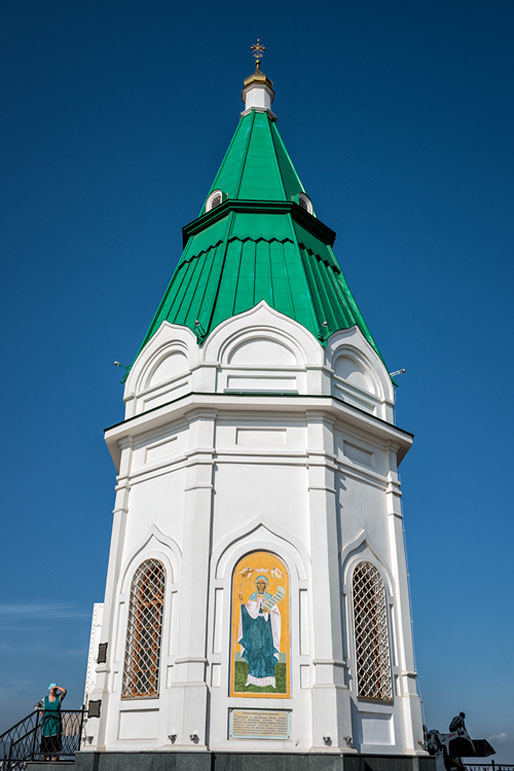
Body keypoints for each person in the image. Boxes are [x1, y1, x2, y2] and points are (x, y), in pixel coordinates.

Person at [238, 575, 282, 688]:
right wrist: (243, 604)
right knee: (255, 652)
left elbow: (277, 613)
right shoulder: (252, 598)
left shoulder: (270, 598)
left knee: (267, 652)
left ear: (266, 585)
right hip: (255, 628)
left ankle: (270, 680)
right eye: (258, 583)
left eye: (263, 583)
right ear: (256, 585)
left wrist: (270, 611)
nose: (260, 586)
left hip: (267, 628)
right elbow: (248, 613)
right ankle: (252, 678)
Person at [35, 683, 67, 761]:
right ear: (49, 690)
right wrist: (41, 711)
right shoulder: (45, 699)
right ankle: (45, 755)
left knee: (55, 738)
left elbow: (65, 692)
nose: (54, 691)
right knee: (45, 738)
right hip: (47, 721)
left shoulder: (59, 698)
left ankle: (55, 755)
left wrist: (57, 686)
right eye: (52, 689)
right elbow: (36, 706)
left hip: (56, 721)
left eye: (55, 690)